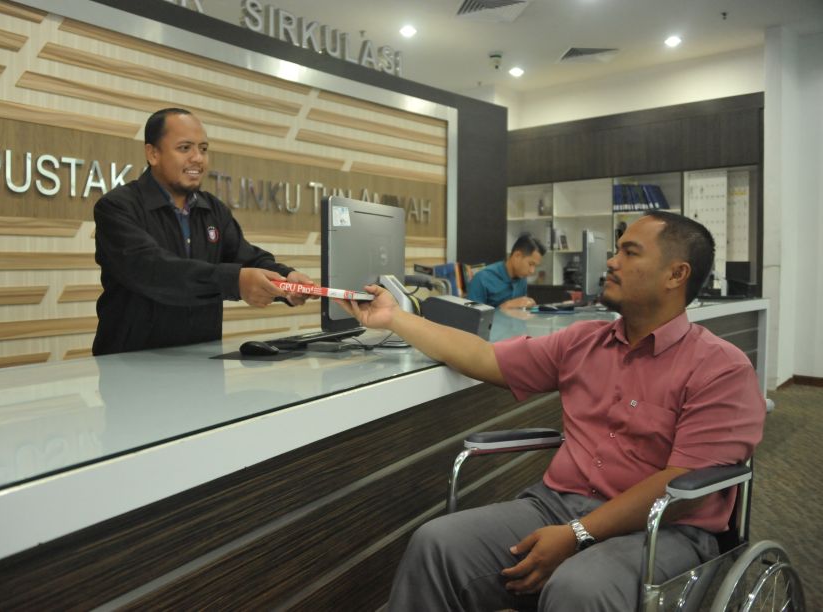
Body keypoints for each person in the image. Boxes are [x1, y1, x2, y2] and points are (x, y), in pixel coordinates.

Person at [339, 211, 766, 611]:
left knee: (579, 587)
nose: (612, 261)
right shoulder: (583, 342)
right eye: (616, 250)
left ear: (676, 274)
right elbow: (484, 358)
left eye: (630, 252)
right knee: (436, 543)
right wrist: (394, 318)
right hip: (557, 507)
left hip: (663, 529)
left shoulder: (721, 368)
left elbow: (681, 484)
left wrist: (578, 534)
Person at [92, 108, 314, 355]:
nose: (198, 158)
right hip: (130, 365)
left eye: (203, 149)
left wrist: (286, 280)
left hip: (202, 362)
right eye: (185, 148)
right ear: (153, 154)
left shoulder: (212, 209)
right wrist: (235, 281)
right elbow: (154, 270)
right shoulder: (117, 207)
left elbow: (245, 257)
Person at [467, 234, 546, 309]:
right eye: (531, 264)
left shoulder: (522, 278)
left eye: (535, 266)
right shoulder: (481, 278)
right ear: (517, 255)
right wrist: (506, 306)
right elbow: (473, 316)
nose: (532, 271)